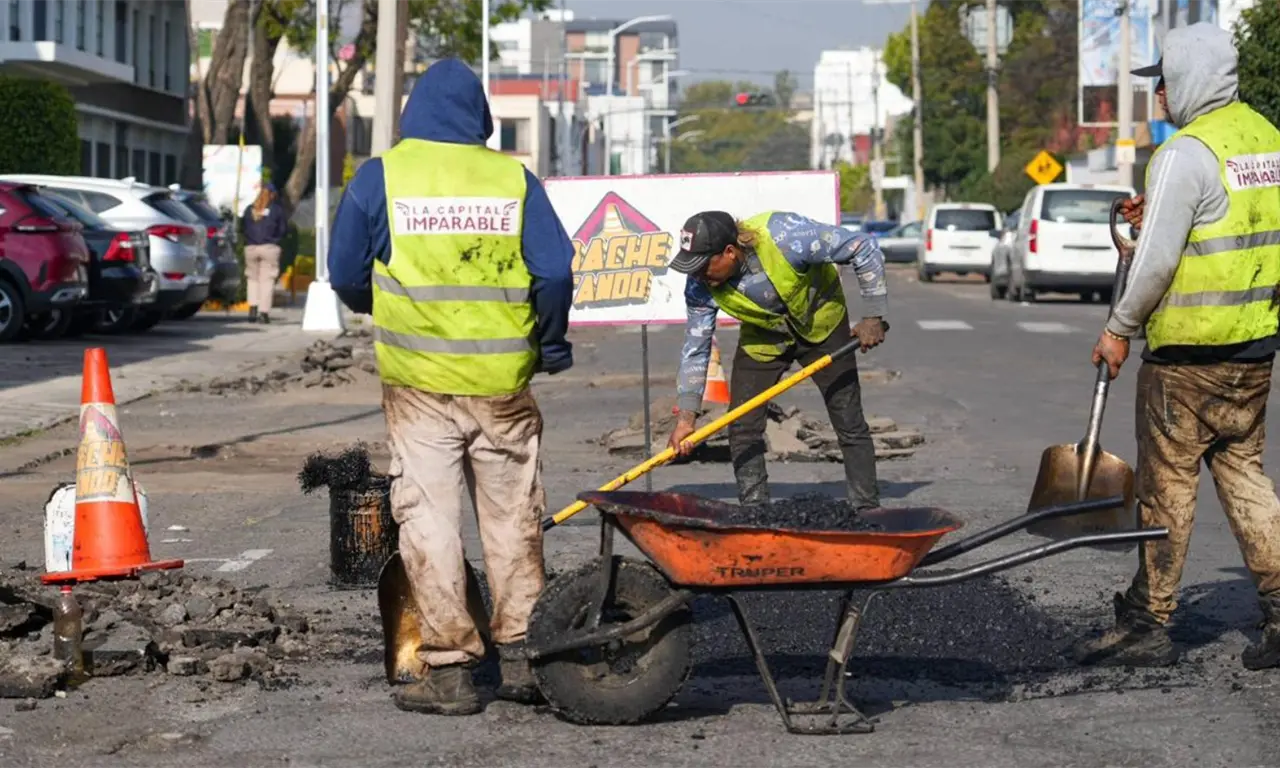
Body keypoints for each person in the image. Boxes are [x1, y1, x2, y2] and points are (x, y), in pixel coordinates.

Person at [328, 58, 575, 713]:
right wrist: (549, 342)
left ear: (413, 112)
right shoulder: (512, 180)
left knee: (429, 523)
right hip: (501, 386)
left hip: (419, 387)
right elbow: (554, 272)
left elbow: (344, 272)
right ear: (480, 116)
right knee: (513, 520)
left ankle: (450, 670)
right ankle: (522, 658)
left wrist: (382, 306)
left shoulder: (380, 178)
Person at [1075, 22, 1280, 671]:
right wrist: (1155, 212)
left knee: (1167, 490)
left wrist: (1117, 329)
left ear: (1189, 78)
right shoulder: (1269, 141)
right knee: (1244, 475)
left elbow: (1156, 262)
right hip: (1252, 353)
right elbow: (1228, 222)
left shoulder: (1184, 154)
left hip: (1187, 359)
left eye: (1162, 81)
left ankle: (1148, 620)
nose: (1158, 95)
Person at [664, 210, 888, 511]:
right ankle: (755, 510)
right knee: (742, 426)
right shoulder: (699, 287)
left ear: (729, 252)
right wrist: (686, 420)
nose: (698, 275)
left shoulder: (787, 236)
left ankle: (866, 508)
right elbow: (696, 347)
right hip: (764, 340)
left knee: (848, 420)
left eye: (703, 266)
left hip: (823, 326)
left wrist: (873, 315)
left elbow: (863, 246)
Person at [240, 182, 288, 323]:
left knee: (252, 279)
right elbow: (283, 230)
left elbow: (243, 227)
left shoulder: (250, 209)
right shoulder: (276, 210)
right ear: (272, 195)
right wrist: (276, 239)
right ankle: (264, 312)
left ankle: (252, 309)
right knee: (267, 280)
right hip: (269, 248)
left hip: (251, 248)